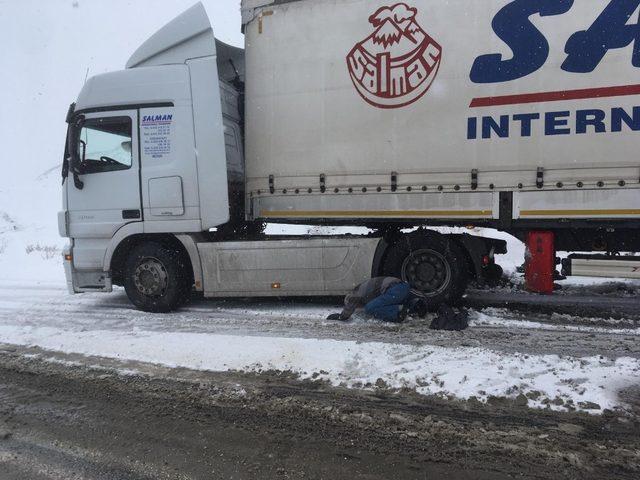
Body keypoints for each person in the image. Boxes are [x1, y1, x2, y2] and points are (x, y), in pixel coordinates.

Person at [327, 277, 427, 323]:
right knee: (384, 304)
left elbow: (350, 305)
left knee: (370, 308)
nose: (356, 307)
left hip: (395, 289)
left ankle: (399, 313)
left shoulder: (354, 294)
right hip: (402, 287)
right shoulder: (365, 289)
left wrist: (342, 316)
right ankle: (416, 305)